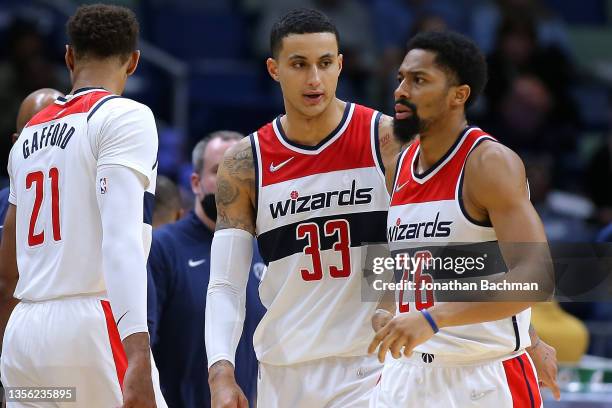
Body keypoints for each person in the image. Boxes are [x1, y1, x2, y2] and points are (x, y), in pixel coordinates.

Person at [205, 9, 558, 408]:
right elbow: (225, 284)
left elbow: (462, 246)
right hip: (284, 364)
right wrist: (221, 369)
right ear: (274, 69)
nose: (314, 79)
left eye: (324, 63)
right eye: (299, 65)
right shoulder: (245, 162)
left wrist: (527, 336)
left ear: (340, 65)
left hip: (375, 364)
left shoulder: (391, 142)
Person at [368, 30, 556, 406]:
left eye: (419, 80)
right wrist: (383, 309)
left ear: (459, 95)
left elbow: (535, 277)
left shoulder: (489, 163)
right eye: (401, 78)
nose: (401, 91)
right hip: (406, 375)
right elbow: (407, 260)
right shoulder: (401, 163)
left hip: (482, 377)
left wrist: (434, 318)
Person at [0, 4, 166, 407]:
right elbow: (121, 241)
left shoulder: (27, 135)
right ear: (134, 62)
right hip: (90, 327)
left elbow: (7, 270)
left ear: (69, 57)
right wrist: (139, 351)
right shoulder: (124, 116)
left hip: (26, 333)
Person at [148, 131, 266, 407]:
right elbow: (144, 345)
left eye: (243, 171)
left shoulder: (265, 247)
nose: (233, 181)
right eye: (219, 171)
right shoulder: (163, 247)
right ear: (196, 182)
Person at [0, 88, 63, 243]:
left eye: (53, 135)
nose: (45, 147)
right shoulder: (2, 203)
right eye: (35, 139)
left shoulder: (88, 197)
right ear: (16, 143)